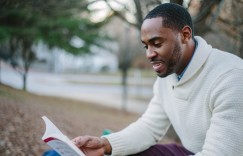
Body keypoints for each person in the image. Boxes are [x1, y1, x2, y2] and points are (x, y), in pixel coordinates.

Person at [72, 3, 243, 156]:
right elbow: (149, 128)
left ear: (185, 35)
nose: (149, 54)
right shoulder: (168, 74)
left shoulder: (231, 78)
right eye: (146, 46)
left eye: (157, 43)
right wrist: (105, 144)